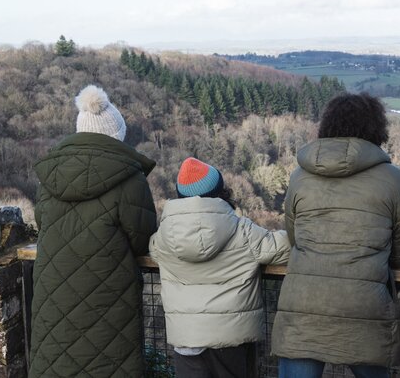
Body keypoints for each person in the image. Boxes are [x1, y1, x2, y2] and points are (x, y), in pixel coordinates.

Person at [271, 93, 400, 378]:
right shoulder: (396, 180)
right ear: (377, 129)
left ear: (328, 127)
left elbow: (294, 239)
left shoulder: (299, 177)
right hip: (365, 308)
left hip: (303, 305)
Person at [30, 85, 157, 377]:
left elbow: (42, 224)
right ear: (116, 135)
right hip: (108, 296)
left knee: (56, 363)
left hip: (53, 292)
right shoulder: (129, 178)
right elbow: (142, 239)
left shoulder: (50, 175)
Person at [149, 157, 290, 378]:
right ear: (219, 191)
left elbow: (152, 251)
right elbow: (284, 247)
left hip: (187, 339)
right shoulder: (243, 232)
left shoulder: (163, 240)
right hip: (232, 339)